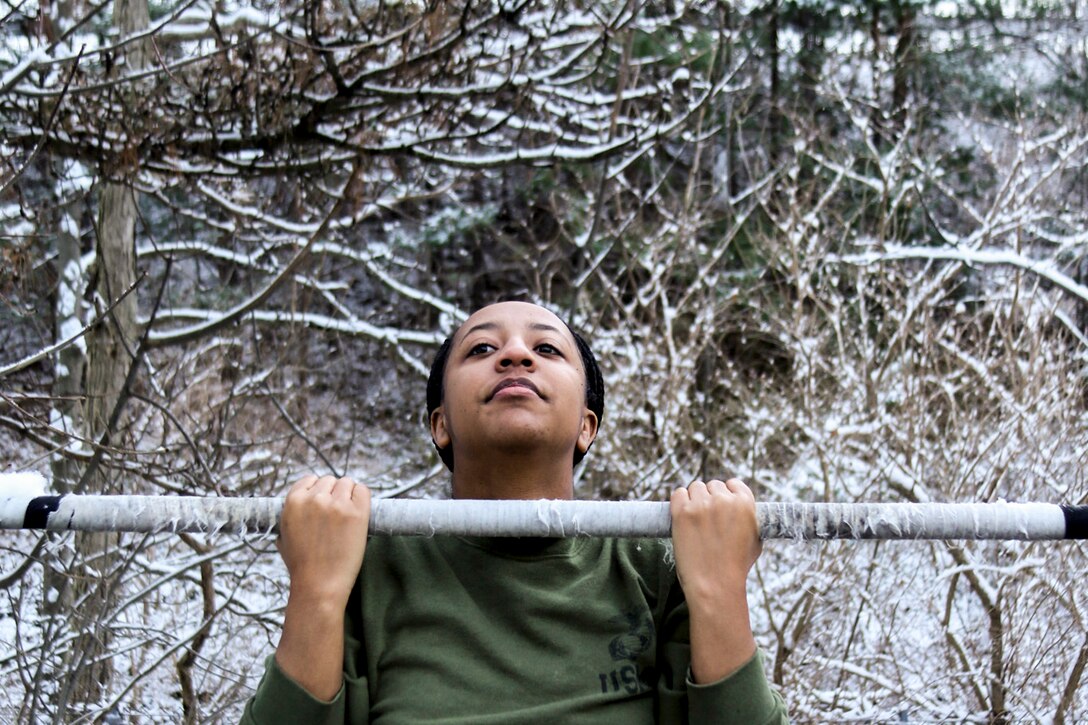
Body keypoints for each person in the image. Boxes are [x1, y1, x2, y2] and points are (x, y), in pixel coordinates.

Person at [242, 301, 788, 723]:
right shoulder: (367, 565)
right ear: (440, 424)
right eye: (481, 350)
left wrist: (719, 591)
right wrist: (314, 591)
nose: (515, 355)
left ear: (586, 426)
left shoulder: (660, 564)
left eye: (547, 350)